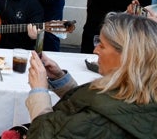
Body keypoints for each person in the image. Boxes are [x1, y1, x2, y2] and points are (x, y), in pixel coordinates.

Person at [24, 12, 157, 138]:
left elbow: (43, 135)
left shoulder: (100, 119)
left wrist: (39, 91)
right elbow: (92, 105)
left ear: (127, 57)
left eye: (102, 46)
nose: (95, 50)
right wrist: (60, 78)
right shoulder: (138, 91)